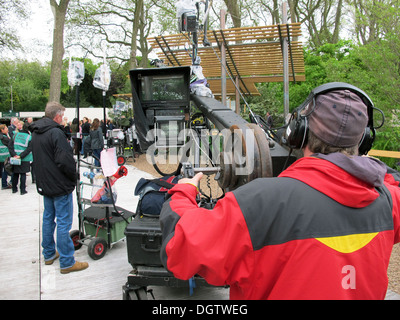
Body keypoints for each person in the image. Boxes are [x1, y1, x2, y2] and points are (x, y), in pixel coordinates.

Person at [159, 83, 400, 300]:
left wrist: (183, 193)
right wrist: (369, 169)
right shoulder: (388, 200)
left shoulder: (260, 203)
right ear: (365, 140)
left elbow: (180, 249)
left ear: (298, 132)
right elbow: (392, 179)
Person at [29, 102, 88, 274]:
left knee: (48, 218)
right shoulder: (56, 132)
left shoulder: (36, 132)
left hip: (45, 184)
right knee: (63, 223)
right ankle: (67, 261)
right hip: (59, 185)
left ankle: (48, 254)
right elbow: (65, 161)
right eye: (62, 115)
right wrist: (73, 176)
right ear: (57, 116)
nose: (63, 119)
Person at [8, 121, 32, 195]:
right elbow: (29, 149)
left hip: (15, 158)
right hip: (24, 158)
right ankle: (22, 190)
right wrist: (21, 156)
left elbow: (10, 146)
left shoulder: (15, 135)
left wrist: (14, 155)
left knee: (15, 173)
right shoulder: (29, 137)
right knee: (23, 174)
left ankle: (14, 189)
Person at [0, 124, 12, 190]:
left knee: (3, 170)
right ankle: (4, 184)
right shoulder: (4, 138)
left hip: (1, 157)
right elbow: (11, 144)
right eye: (6, 128)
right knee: (6, 170)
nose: (7, 129)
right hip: (5, 156)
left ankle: (4, 183)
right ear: (2, 130)